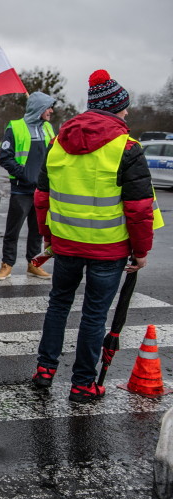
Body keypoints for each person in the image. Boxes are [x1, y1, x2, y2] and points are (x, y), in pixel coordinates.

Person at [32, 70, 160, 403]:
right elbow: (139, 208)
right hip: (108, 249)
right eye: (124, 107)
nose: (127, 113)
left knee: (58, 305)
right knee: (93, 315)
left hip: (66, 243)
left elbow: (42, 197)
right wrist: (141, 251)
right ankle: (83, 384)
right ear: (114, 108)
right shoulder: (127, 147)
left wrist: (48, 237)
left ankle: (44, 369)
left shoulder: (58, 143)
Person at [0, 91, 56, 280]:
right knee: (13, 230)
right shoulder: (15, 127)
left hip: (42, 190)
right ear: (39, 108)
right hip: (21, 190)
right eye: (48, 107)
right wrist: (24, 174)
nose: (51, 111)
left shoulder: (48, 128)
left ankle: (34, 265)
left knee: (38, 231)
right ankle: (7, 265)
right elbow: (5, 158)